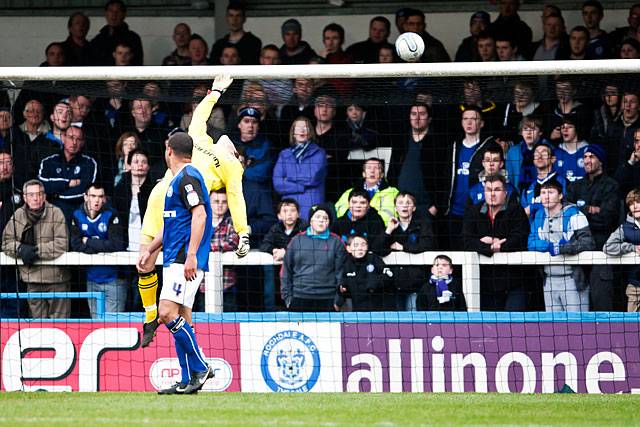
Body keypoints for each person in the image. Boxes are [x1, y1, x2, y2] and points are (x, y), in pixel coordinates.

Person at [137, 76, 249, 347]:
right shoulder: (199, 137)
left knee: (181, 304)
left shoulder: (232, 166)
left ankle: (191, 360)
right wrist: (216, 92)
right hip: (161, 195)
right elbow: (200, 113)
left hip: (185, 210)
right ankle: (150, 316)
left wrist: (243, 232)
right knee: (144, 262)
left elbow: (236, 199)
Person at [137, 132, 214, 395]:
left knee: (166, 313)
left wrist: (191, 254)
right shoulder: (176, 181)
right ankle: (186, 379)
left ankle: (201, 366)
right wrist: (150, 249)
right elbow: (171, 225)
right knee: (180, 318)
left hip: (184, 259)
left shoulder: (188, 177)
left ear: (169, 150)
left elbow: (200, 214)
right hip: (175, 256)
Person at [2, 179, 70, 318]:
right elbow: (6, 242)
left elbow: (61, 243)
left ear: (44, 196)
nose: (36, 198)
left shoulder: (56, 213)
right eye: (31, 195)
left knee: (61, 327)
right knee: (38, 328)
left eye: (39, 194)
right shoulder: (18, 215)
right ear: (25, 198)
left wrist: (34, 251)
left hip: (56, 279)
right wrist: (20, 249)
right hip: (31, 280)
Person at [463, 175, 530, 310]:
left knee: (514, 326)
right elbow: (465, 241)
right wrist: (491, 246)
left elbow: (520, 239)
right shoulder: (473, 211)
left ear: (505, 193)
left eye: (497, 190)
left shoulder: (516, 210)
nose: (492, 194)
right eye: (488, 190)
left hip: (514, 280)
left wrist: (497, 245)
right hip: (486, 283)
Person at [566, 145, 619, 311]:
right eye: (586, 156)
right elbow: (567, 214)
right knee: (576, 308)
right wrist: (592, 209)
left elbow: (606, 219)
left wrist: (581, 210)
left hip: (601, 250)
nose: (587, 160)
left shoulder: (611, 185)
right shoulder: (575, 186)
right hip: (577, 251)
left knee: (601, 301)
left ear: (600, 161)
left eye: (592, 157)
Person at [528, 179, 595, 312]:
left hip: (572, 280)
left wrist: (563, 248)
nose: (546, 196)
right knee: (554, 327)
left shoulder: (574, 214)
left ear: (560, 195)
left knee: (578, 327)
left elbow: (588, 243)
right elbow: (531, 243)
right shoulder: (539, 215)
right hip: (548, 280)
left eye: (551, 192)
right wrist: (551, 246)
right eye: (543, 192)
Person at [443, 106, 495, 249]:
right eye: (466, 119)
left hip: (478, 211)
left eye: (474, 119)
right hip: (453, 211)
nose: (469, 122)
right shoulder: (454, 147)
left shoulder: (489, 147)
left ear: (482, 123)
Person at [70, 184, 125, 318]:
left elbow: (116, 245)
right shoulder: (77, 215)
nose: (96, 200)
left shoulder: (111, 214)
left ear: (105, 199)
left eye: (100, 196)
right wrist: (100, 245)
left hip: (114, 280)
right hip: (91, 280)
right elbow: (75, 244)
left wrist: (88, 241)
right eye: (93, 196)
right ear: (85, 197)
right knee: (97, 325)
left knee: (114, 326)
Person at [281, 204, 347, 312]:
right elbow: (285, 271)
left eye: (325, 218)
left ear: (329, 222)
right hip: (299, 297)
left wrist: (338, 301)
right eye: (317, 217)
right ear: (311, 221)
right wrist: (287, 299)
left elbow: (341, 273)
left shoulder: (336, 242)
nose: (321, 220)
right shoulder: (296, 241)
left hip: (327, 298)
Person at [383, 192, 435, 311]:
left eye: (408, 203)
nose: (404, 206)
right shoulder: (391, 225)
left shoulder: (423, 225)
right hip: (394, 285)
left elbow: (428, 244)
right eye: (400, 203)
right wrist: (388, 231)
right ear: (395, 207)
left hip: (415, 285)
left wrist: (404, 247)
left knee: (413, 323)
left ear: (414, 208)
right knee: (396, 325)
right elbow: (378, 248)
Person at [387, 103, 441, 217]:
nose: (417, 118)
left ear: (429, 119)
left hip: (426, 206)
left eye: (421, 114)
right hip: (401, 204)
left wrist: (436, 205)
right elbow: (392, 170)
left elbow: (445, 176)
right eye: (413, 114)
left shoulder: (438, 142)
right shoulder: (401, 139)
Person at [38, 125, 97, 224]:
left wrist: (56, 194)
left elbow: (85, 190)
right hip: (48, 210)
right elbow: (42, 185)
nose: (74, 143)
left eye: (78, 139)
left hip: (76, 211)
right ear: (63, 138)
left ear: (82, 143)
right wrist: (67, 183)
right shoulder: (49, 161)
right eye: (71, 138)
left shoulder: (89, 163)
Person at [272, 116, 327, 220]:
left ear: (310, 132)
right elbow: (278, 184)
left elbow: (312, 178)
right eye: (298, 128)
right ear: (293, 133)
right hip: (289, 207)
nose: (302, 130)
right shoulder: (284, 154)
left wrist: (288, 179)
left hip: (311, 205)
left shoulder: (319, 153)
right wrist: (301, 187)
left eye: (305, 127)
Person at [603, 188, 640, 312]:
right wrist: (632, 247)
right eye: (631, 203)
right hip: (635, 286)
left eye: (638, 202)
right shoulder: (625, 228)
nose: (635, 206)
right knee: (632, 326)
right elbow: (608, 247)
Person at [335, 158, 398, 226]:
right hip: (350, 228)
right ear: (364, 174)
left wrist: (365, 222)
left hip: (377, 230)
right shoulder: (350, 191)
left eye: (376, 168)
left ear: (382, 174)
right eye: (369, 167)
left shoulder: (392, 192)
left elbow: (389, 214)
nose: (372, 171)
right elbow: (339, 209)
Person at [336, 235, 391, 311]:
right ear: (348, 249)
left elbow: (389, 277)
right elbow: (344, 286)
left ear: (367, 247)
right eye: (356, 245)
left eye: (363, 244)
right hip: (358, 310)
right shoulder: (347, 264)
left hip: (379, 308)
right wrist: (342, 290)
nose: (360, 248)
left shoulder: (374, 259)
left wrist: (374, 283)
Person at [0, 150, 25, 318]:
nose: (5, 167)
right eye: (1, 163)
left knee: (14, 304)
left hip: (13, 258)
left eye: (9, 163)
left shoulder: (20, 191)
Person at [206, 189, 239, 313]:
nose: (220, 205)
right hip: (202, 284)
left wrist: (207, 248)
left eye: (224, 202)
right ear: (209, 203)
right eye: (216, 201)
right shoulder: (201, 222)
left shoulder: (233, 222)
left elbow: (233, 242)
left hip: (227, 283)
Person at [521, 141, 567, 218]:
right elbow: (523, 214)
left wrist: (533, 207)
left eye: (544, 153)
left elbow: (565, 207)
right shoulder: (527, 188)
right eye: (536, 154)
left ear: (553, 159)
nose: (539, 156)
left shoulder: (563, 182)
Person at [332, 189, 386, 255]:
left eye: (362, 203)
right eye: (354, 202)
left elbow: (379, 249)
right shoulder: (339, 223)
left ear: (368, 205)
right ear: (348, 204)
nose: (358, 206)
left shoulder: (376, 221)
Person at [89, 0, 143, 66]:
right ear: (106, 14)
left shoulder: (133, 38)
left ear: (124, 15)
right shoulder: (97, 40)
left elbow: (138, 64)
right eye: (111, 11)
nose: (114, 14)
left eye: (118, 11)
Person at [506, 115, 550, 193]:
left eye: (533, 129)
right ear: (521, 132)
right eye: (525, 129)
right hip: (519, 196)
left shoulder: (549, 149)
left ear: (540, 132)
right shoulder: (513, 152)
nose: (529, 133)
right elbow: (510, 178)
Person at [555, 116, 589, 183]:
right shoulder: (556, 152)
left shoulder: (588, 151)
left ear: (577, 129)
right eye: (563, 127)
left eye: (570, 127)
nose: (565, 130)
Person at [614, 128, 640, 197]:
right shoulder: (629, 160)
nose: (639, 145)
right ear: (634, 144)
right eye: (637, 141)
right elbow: (617, 184)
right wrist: (631, 162)